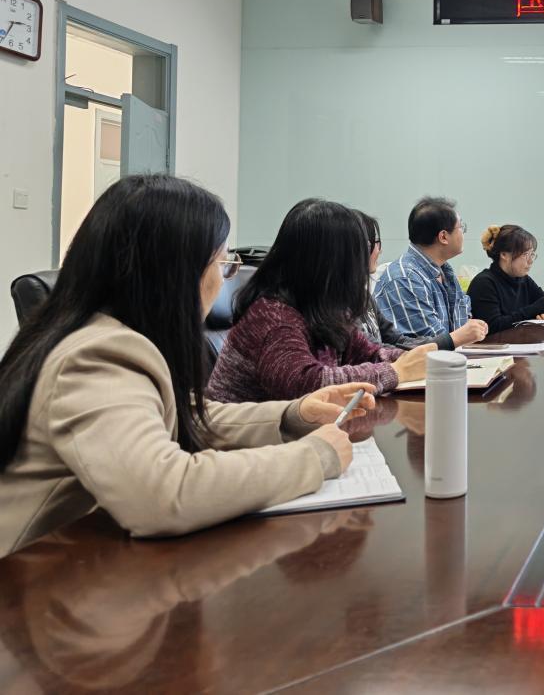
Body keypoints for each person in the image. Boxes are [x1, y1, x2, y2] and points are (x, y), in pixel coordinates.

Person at [0, 175, 375, 558]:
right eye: (223, 265)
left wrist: (294, 414)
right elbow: (160, 495)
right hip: (32, 579)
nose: (223, 281)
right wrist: (314, 457)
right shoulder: (97, 355)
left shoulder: (99, 333)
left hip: (83, 557)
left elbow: (189, 416)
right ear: (175, 273)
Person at [208, 199, 432, 403]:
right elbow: (306, 384)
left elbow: (370, 354)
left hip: (302, 431)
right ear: (330, 265)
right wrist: (396, 371)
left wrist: (417, 361)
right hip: (249, 435)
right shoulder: (271, 316)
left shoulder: (323, 308)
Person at [373, 197, 489, 350]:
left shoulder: (445, 270)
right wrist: (464, 334)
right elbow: (433, 343)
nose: (464, 233)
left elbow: (462, 321)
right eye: (461, 227)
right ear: (443, 237)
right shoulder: (405, 278)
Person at [466, 224, 544, 333]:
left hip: (519, 340)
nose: (530, 261)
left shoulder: (524, 279)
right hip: (494, 343)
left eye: (532, 254)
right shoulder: (484, 282)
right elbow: (493, 326)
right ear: (504, 254)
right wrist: (534, 310)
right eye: (525, 254)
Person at [354, 210, 427, 350]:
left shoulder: (363, 296)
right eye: (375, 243)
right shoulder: (403, 277)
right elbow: (376, 352)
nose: (379, 250)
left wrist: (450, 340)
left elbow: (396, 340)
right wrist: (452, 340)